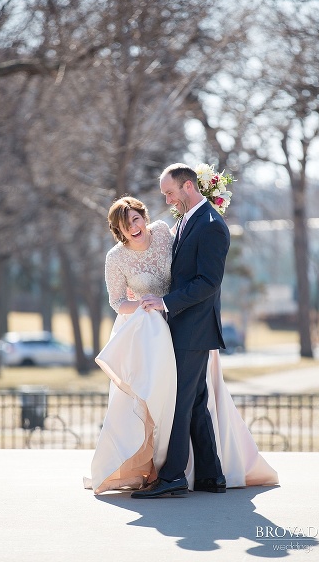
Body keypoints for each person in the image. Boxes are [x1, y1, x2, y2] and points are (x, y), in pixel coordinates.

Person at [83, 191, 278, 496]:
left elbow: (191, 250)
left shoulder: (162, 232)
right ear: (118, 231)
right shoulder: (115, 258)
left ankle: (192, 474)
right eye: (125, 225)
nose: (133, 227)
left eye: (136, 219)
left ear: (144, 217)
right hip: (146, 333)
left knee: (192, 397)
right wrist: (148, 304)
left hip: (182, 324)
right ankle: (186, 471)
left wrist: (207, 199)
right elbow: (117, 302)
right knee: (165, 398)